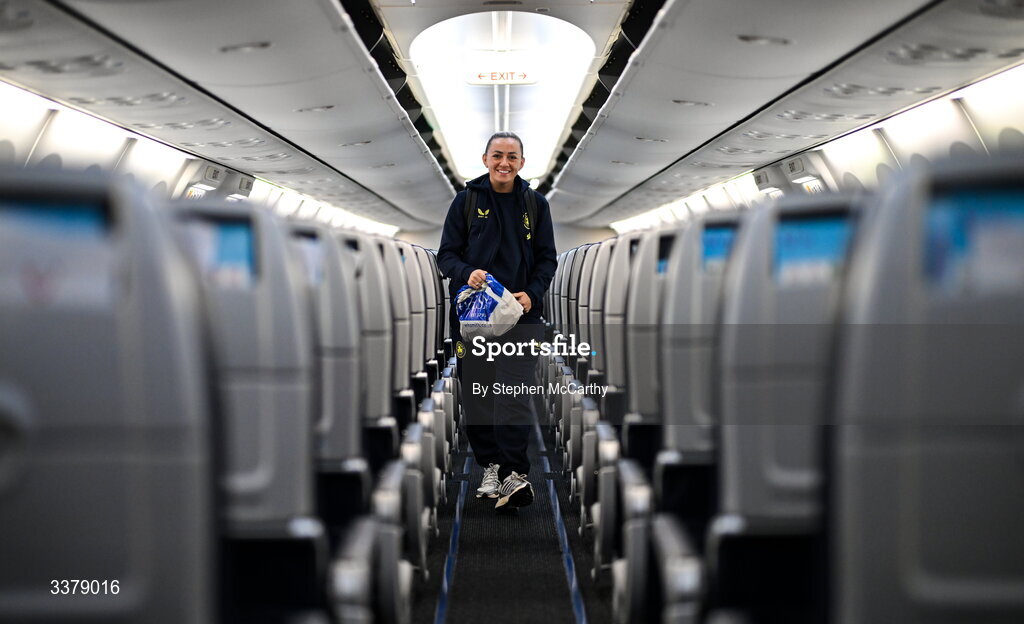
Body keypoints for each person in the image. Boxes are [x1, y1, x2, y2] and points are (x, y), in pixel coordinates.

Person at [437, 131, 557, 509]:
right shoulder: (466, 202)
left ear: (522, 162)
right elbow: (446, 256)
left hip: (523, 317)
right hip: (475, 320)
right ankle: (490, 466)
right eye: (497, 156)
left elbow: (546, 260)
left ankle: (514, 474)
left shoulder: (536, 205)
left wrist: (531, 294)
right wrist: (466, 270)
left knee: (513, 395)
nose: (504, 163)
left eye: (512, 156)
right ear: (485, 159)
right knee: (479, 397)